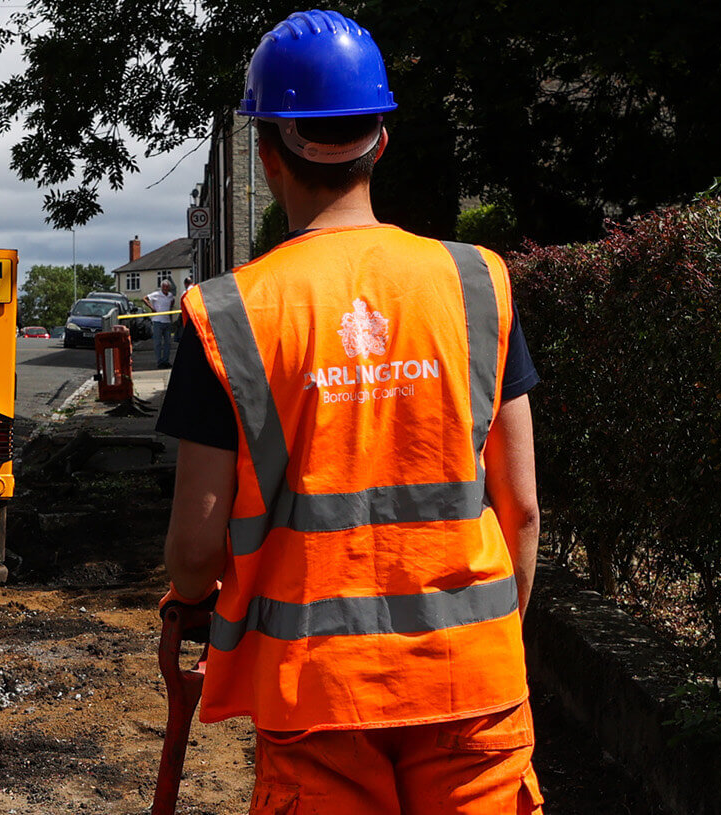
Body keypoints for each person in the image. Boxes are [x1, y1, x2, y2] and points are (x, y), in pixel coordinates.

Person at [154, 9, 545, 814]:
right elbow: (524, 510)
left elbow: (194, 552)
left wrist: (194, 601)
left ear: (268, 155)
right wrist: (490, 646)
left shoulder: (228, 314)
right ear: (381, 142)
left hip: (316, 698)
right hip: (474, 687)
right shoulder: (479, 284)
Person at [146, 279, 180, 367]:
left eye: (167, 287)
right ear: (161, 287)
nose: (165, 289)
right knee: (158, 343)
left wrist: (170, 310)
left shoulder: (170, 295)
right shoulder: (156, 294)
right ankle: (159, 361)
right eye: (164, 287)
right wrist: (152, 308)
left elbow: (172, 300)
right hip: (157, 321)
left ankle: (166, 360)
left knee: (167, 343)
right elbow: (145, 298)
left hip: (167, 321)